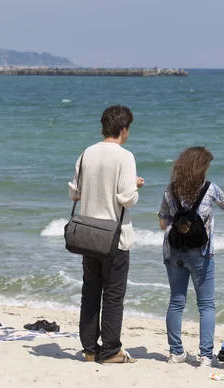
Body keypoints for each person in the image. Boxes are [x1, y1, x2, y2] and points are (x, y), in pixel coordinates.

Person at [68, 105, 144, 364]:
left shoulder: (86, 153)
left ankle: (90, 349)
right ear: (123, 129)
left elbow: (74, 192)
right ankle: (111, 350)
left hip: (89, 234)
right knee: (113, 294)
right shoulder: (125, 157)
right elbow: (127, 199)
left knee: (90, 292)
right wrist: (135, 186)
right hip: (115, 237)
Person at [158, 146, 224, 367]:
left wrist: (180, 221)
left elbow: (163, 223)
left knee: (176, 301)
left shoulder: (170, 190)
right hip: (201, 253)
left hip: (174, 251)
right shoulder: (209, 189)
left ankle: (176, 353)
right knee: (206, 305)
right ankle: (205, 356)